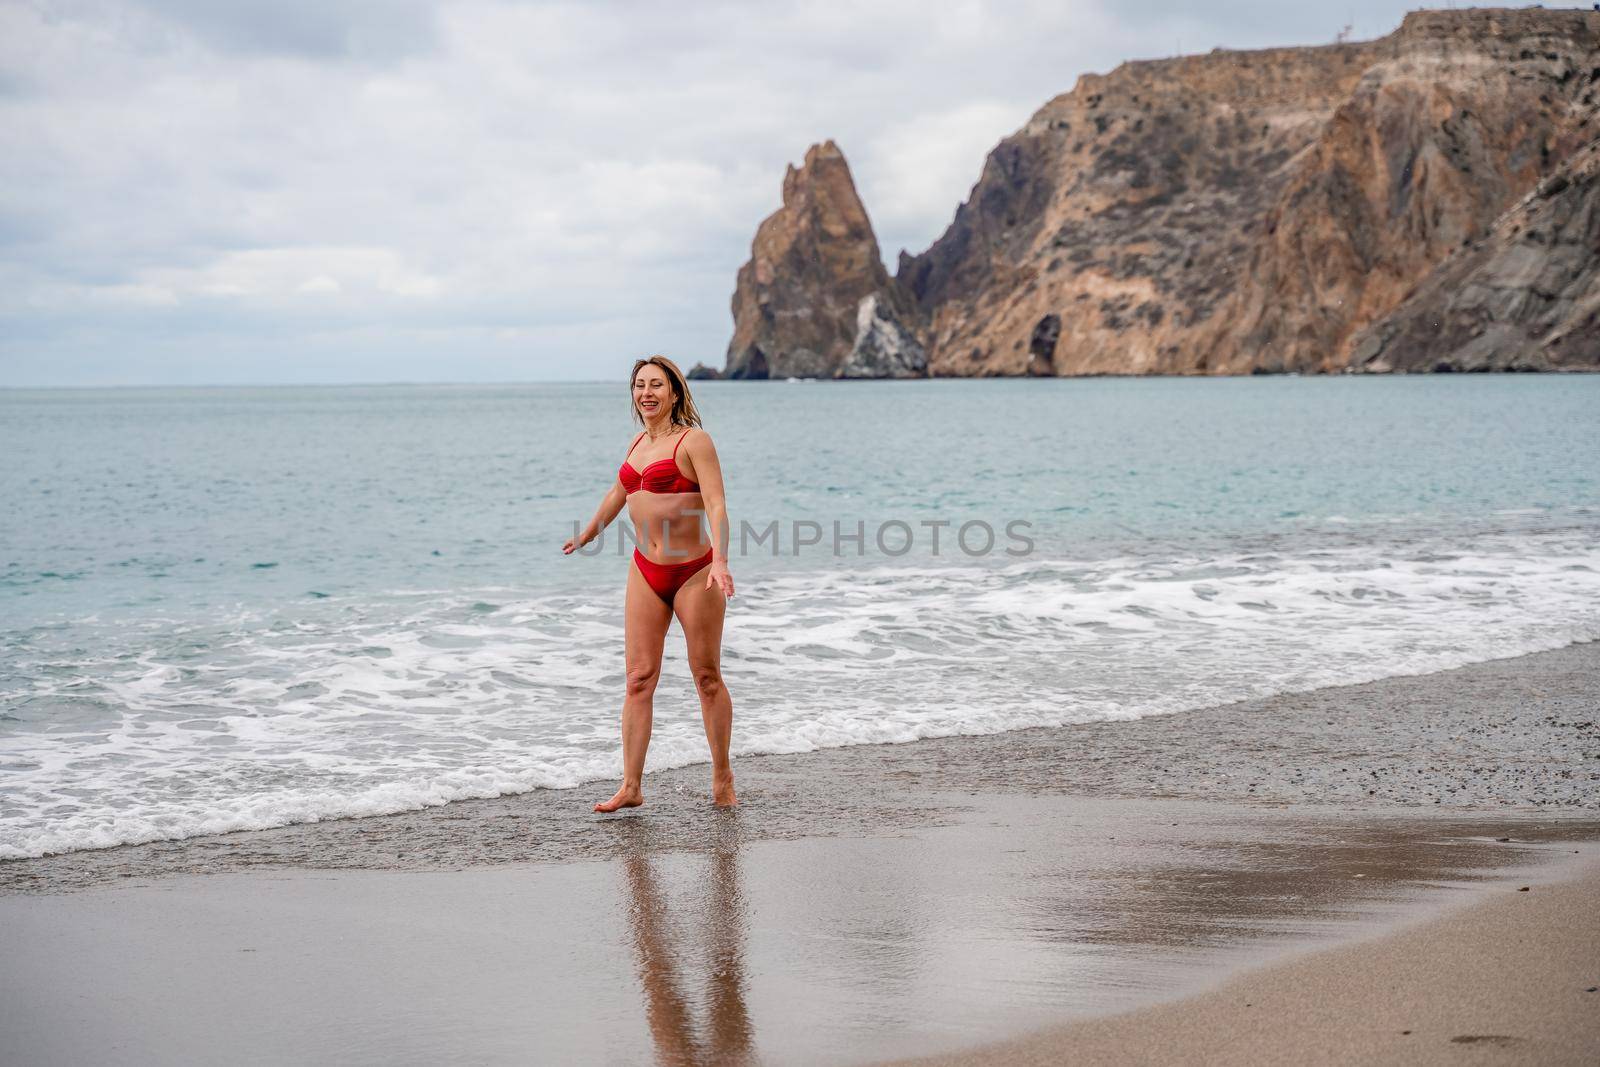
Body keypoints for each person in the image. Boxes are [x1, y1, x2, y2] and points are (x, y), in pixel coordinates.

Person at [563, 355, 737, 811]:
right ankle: (632, 786)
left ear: (675, 392)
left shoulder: (693, 441)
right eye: (640, 385)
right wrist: (588, 532)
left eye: (657, 384)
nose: (647, 393)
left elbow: (717, 505)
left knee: (706, 678)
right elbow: (620, 492)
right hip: (645, 570)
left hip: (695, 571)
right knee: (639, 679)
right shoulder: (637, 443)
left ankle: (722, 777)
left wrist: (720, 560)